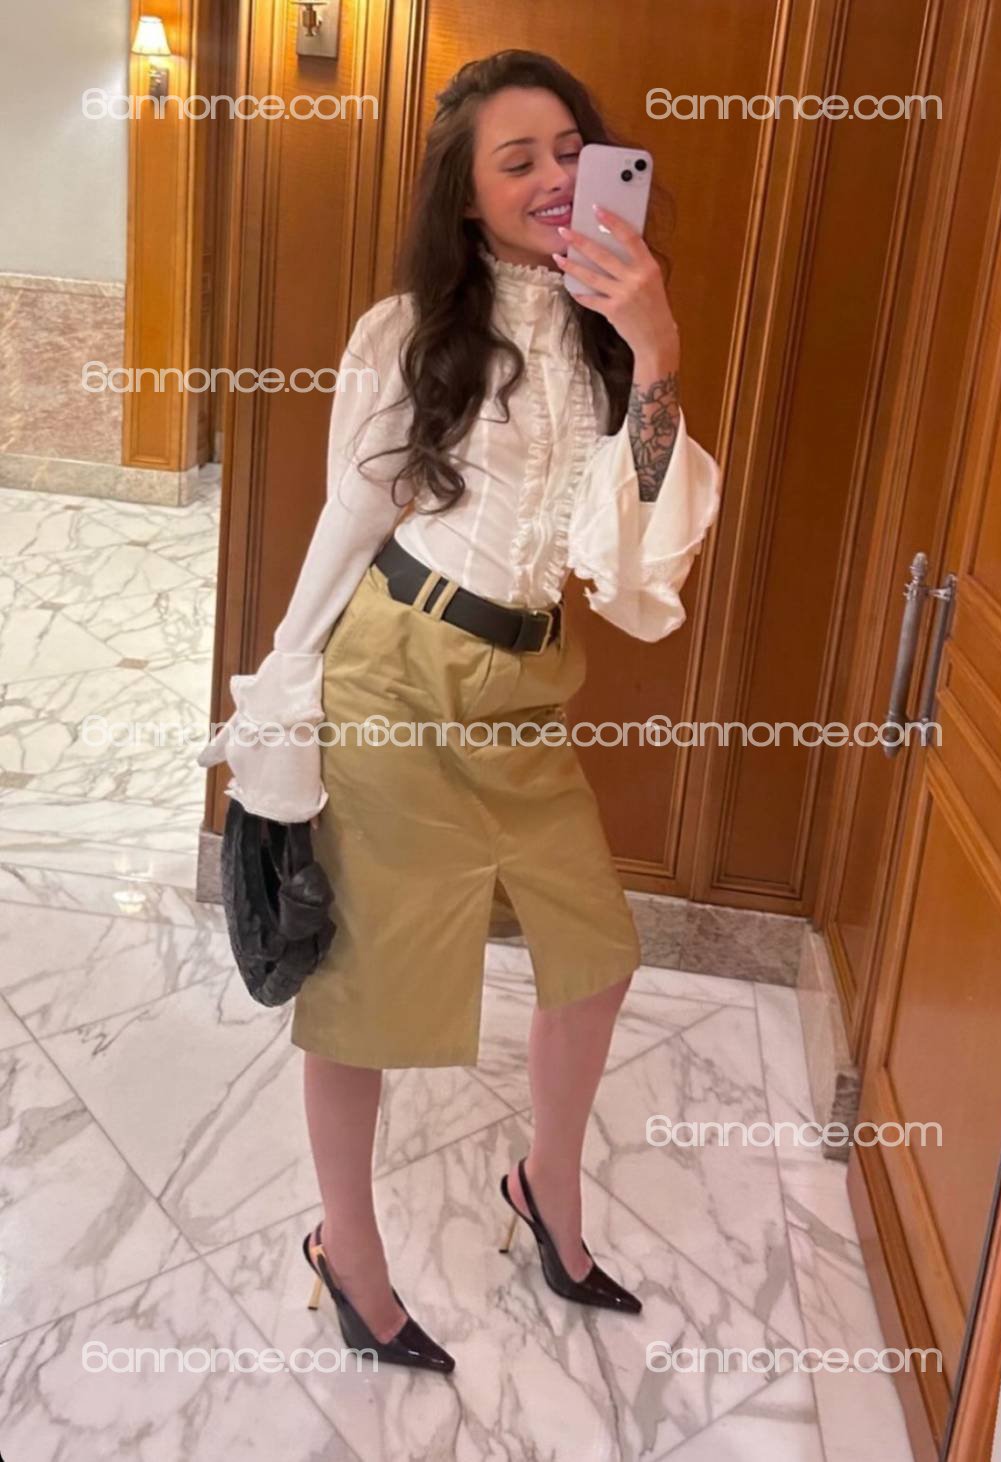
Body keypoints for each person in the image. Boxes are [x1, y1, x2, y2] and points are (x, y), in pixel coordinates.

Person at [197, 48, 722, 1375]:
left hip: (531, 690)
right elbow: (352, 513)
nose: (552, 179)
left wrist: (658, 343)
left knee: (597, 955)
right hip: (397, 673)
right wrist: (283, 685)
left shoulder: (609, 341)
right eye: (517, 160)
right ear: (469, 194)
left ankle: (546, 1187)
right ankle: (349, 1252)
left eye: (572, 153)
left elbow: (638, 547)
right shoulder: (409, 332)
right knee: (361, 994)